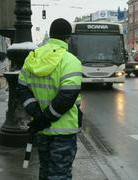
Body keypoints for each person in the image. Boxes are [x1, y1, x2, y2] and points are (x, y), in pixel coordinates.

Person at [17, 18, 82, 180]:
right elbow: (67, 96)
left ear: (51, 35)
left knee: (45, 170)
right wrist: (46, 118)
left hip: (42, 130)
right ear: (68, 38)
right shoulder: (71, 61)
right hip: (64, 132)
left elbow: (22, 88)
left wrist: (38, 115)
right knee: (60, 174)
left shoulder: (32, 58)